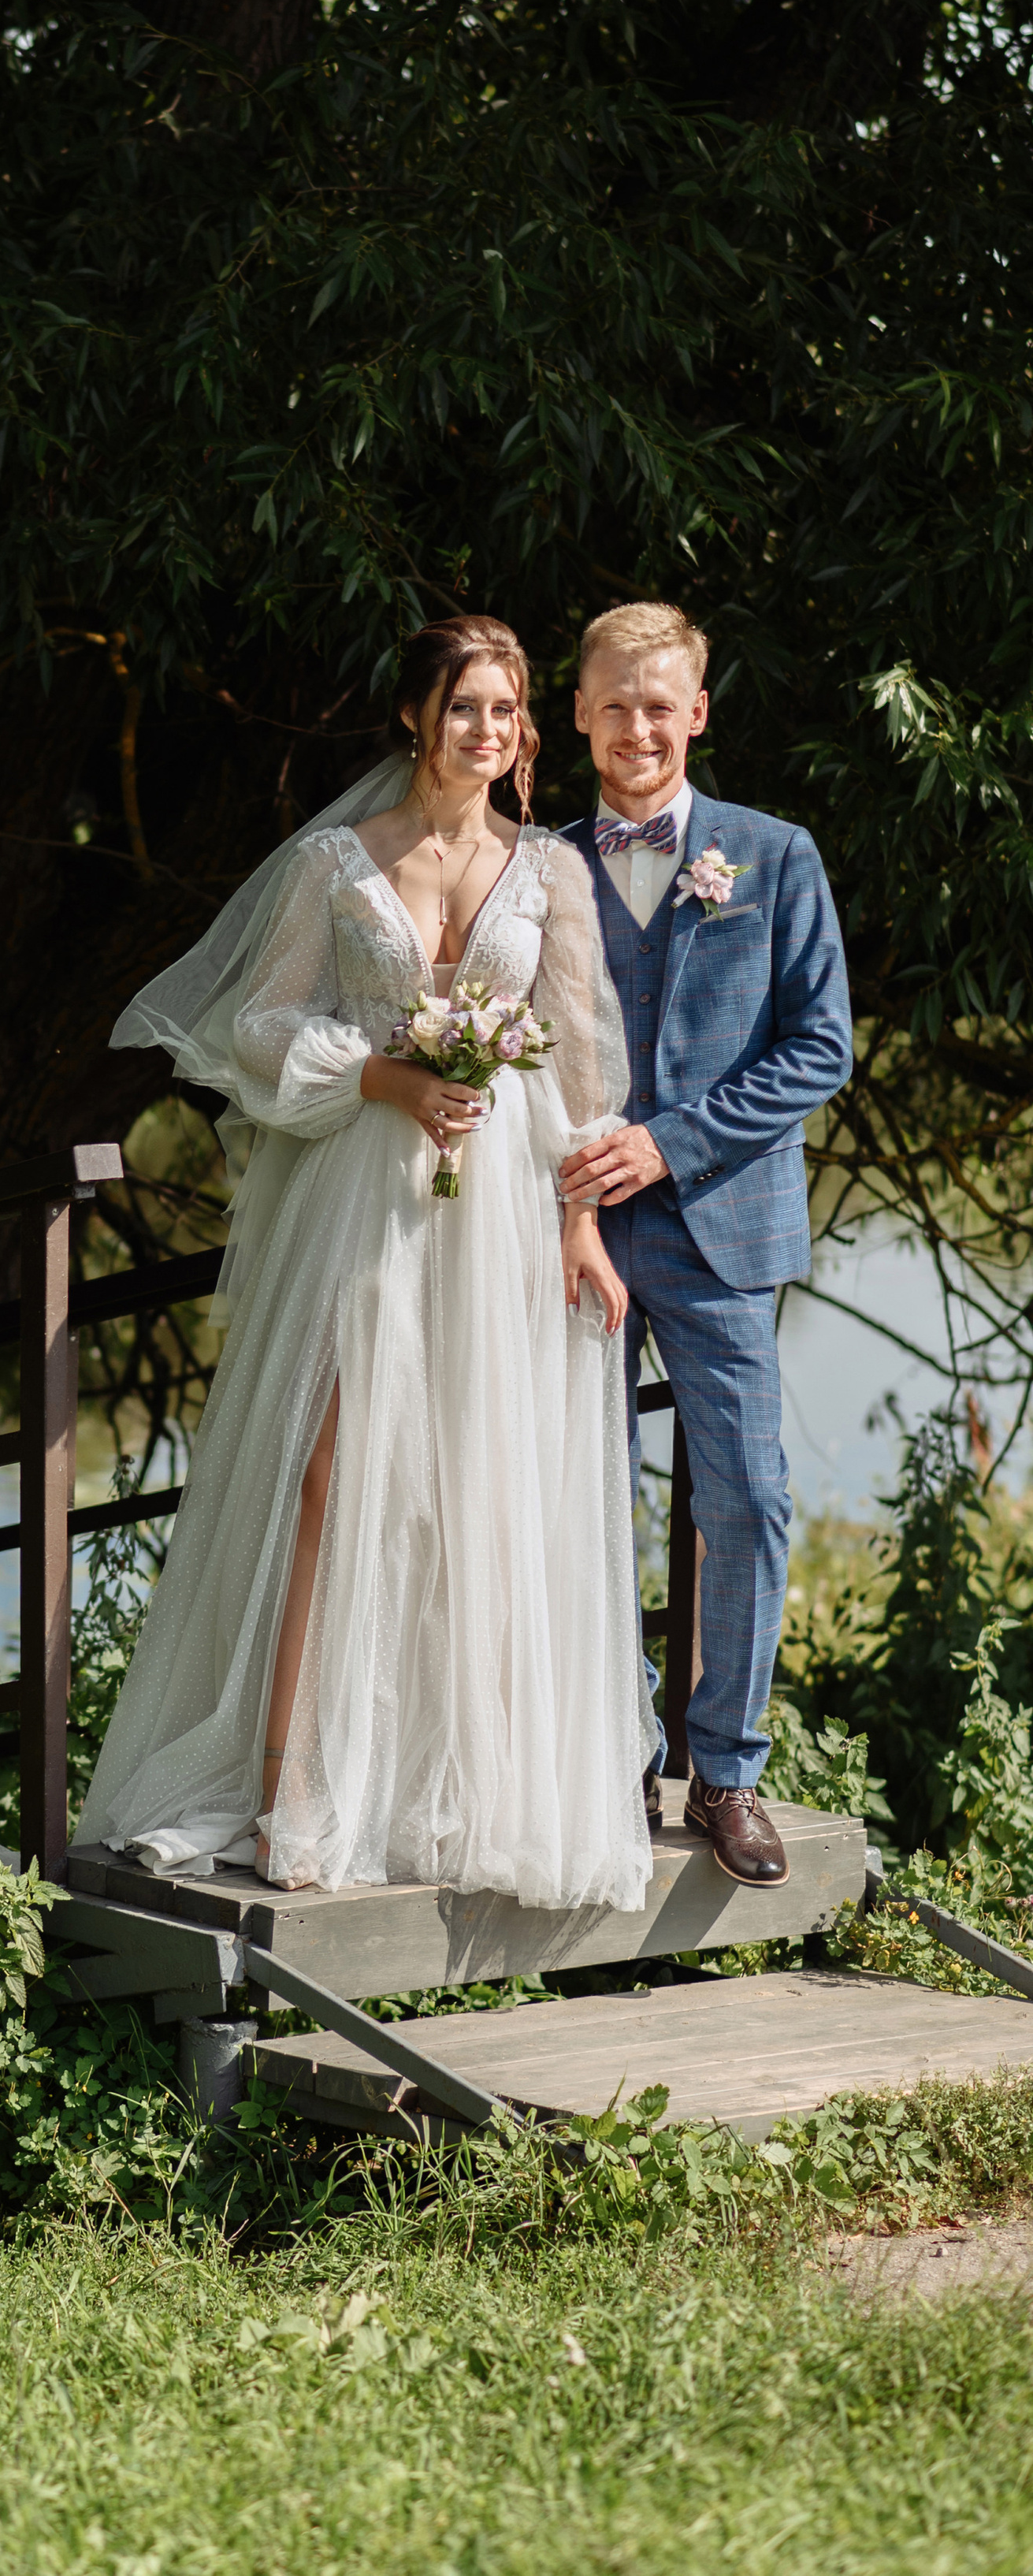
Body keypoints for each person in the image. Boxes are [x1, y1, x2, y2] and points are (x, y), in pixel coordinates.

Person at [76, 616, 655, 1910]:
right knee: (330, 1474)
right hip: (369, 1194)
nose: (489, 732)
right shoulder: (338, 863)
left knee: (473, 1483)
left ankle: (451, 1789)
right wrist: (385, 1074)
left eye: (507, 711)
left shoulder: (549, 872)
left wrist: (579, 1228)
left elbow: (577, 1067)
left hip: (500, 1203)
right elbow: (261, 1024)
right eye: (466, 707)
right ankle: (290, 1788)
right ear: (415, 715)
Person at [557, 603, 852, 1888]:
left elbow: (819, 1046)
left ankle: (725, 1771)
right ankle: (611, 1755)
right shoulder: (537, 863)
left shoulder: (773, 857)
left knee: (750, 1499)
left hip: (723, 1228)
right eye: (614, 703)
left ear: (699, 711)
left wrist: (673, 1142)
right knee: (577, 1502)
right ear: (578, 712)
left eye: (660, 703)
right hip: (569, 1238)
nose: (637, 726)